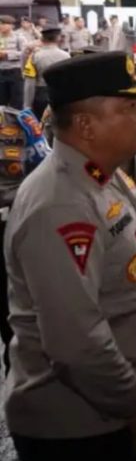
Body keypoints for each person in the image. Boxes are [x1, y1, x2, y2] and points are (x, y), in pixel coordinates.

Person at [4, 51, 136, 461]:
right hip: (86, 424)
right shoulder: (61, 203)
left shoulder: (99, 175)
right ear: (86, 126)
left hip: (106, 414)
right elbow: (76, 343)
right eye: (128, 107)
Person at [0, 102, 50, 372]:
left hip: (11, 231)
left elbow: (46, 175)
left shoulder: (19, 123)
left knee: (16, 323)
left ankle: (18, 387)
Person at [23, 24, 71, 120]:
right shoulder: (66, 56)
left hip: (41, 94)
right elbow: (69, 81)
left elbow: (29, 83)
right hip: (60, 94)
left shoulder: (34, 56)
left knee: (41, 126)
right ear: (58, 38)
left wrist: (27, 105)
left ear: (42, 39)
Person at [0, 15, 28, 108]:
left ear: (12, 25)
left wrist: (7, 54)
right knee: (2, 101)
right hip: (1, 71)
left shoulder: (19, 37)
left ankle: (14, 121)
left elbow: (24, 53)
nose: (1, 26)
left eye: (4, 24)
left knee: (17, 100)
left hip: (15, 71)